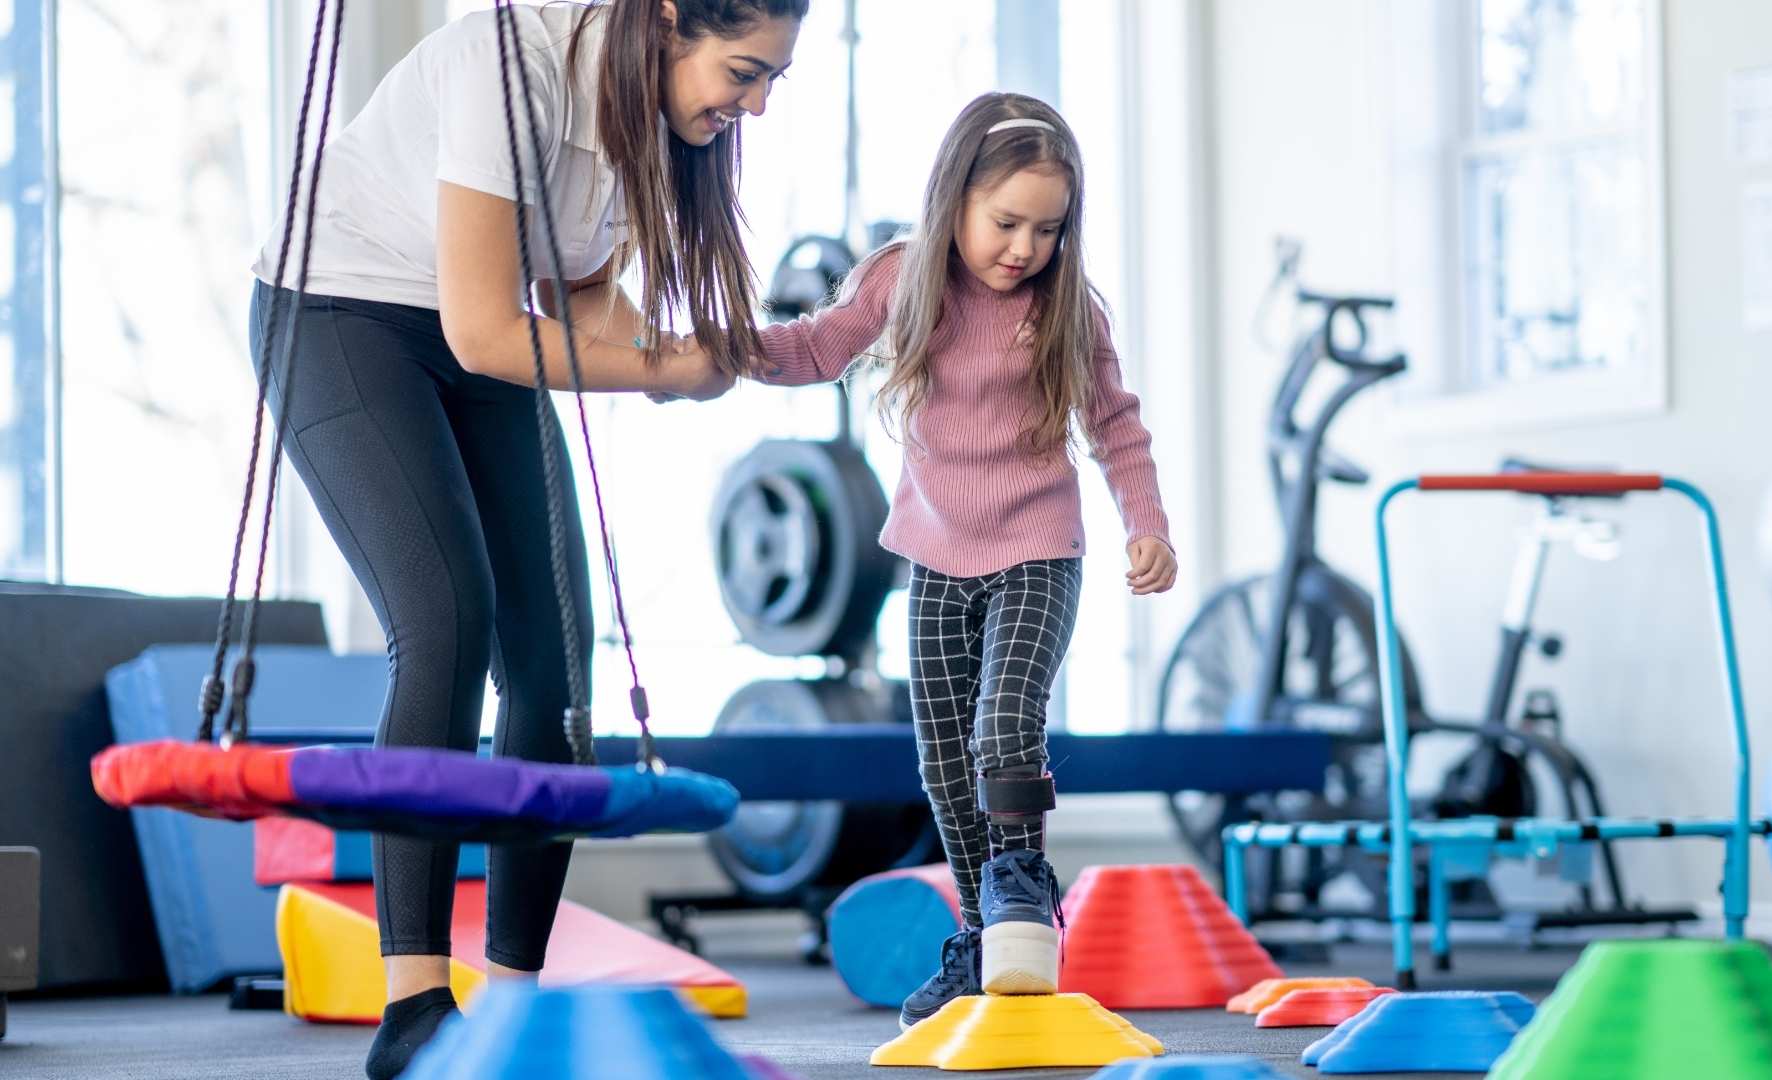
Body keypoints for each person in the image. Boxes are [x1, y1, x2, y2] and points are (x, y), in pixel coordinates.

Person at [246, 3, 804, 1076]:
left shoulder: (651, 112)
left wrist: (689, 352)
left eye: (773, 80)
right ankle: (412, 1008)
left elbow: (578, 288)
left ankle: (517, 1004)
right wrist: (660, 373)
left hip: (481, 333)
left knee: (552, 664)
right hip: (342, 312)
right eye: (743, 72)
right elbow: (486, 329)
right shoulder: (513, 67)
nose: (756, 104)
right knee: (445, 620)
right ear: (671, 20)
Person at [665, 91, 1177, 1028]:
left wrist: (1147, 524)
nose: (1024, 247)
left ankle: (1022, 892)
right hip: (936, 557)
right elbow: (819, 347)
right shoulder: (905, 279)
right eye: (1006, 222)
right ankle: (988, 942)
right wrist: (727, 349)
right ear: (955, 202)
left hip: (1038, 551)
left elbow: (1115, 423)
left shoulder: (1067, 308)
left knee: (1003, 716)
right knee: (942, 760)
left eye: (1048, 229)